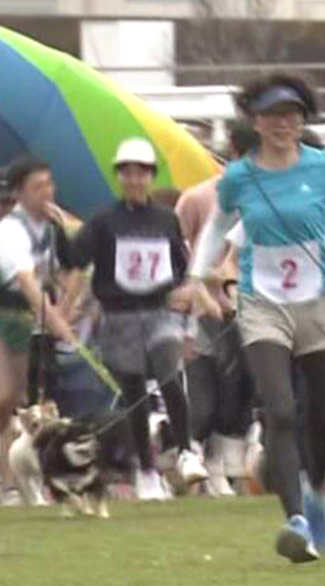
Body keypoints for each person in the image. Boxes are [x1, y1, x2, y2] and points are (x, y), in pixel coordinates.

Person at [187, 73, 325, 563]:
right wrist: (197, 276)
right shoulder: (239, 177)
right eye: (273, 115)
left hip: (318, 301)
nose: (283, 123)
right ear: (255, 121)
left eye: (292, 114)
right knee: (278, 410)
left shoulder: (323, 167)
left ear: (302, 120)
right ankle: (295, 519)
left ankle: (316, 493)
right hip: (262, 304)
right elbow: (218, 226)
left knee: (323, 419)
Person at [57, 138, 209, 500]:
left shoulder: (166, 219)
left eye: (141, 172)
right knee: (134, 393)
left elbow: (181, 265)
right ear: (119, 177)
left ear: (151, 176)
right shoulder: (103, 221)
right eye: (127, 172)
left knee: (170, 377)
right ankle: (146, 469)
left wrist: (190, 291)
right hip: (119, 315)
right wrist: (58, 228)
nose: (135, 179)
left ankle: (186, 450)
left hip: (160, 312)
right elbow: (74, 259)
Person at [175, 122, 260, 497]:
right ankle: (200, 462)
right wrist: (201, 291)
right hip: (208, 311)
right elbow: (181, 254)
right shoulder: (198, 198)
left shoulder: (266, 198)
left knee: (243, 391)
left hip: (255, 308)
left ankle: (225, 468)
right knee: (208, 394)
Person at [0, 157, 79, 447]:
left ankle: (11, 481)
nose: (47, 192)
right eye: (38, 187)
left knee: (22, 401)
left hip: (33, 321)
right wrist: (56, 320)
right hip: (6, 315)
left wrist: (65, 309)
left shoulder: (52, 226)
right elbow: (26, 280)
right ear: (19, 193)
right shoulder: (10, 230)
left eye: (49, 184)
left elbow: (70, 271)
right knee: (6, 394)